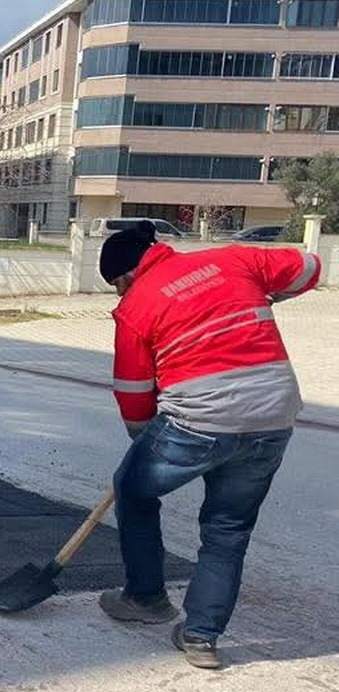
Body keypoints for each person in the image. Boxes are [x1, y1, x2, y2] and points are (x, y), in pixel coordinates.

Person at [96, 222, 321, 669]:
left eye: (116, 288)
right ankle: (201, 637)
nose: (119, 296)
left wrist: (145, 443)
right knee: (228, 529)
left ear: (124, 278)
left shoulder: (136, 305)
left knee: (133, 488)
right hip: (273, 411)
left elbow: (134, 390)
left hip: (197, 419)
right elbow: (309, 267)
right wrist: (267, 292)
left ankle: (146, 597)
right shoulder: (234, 259)